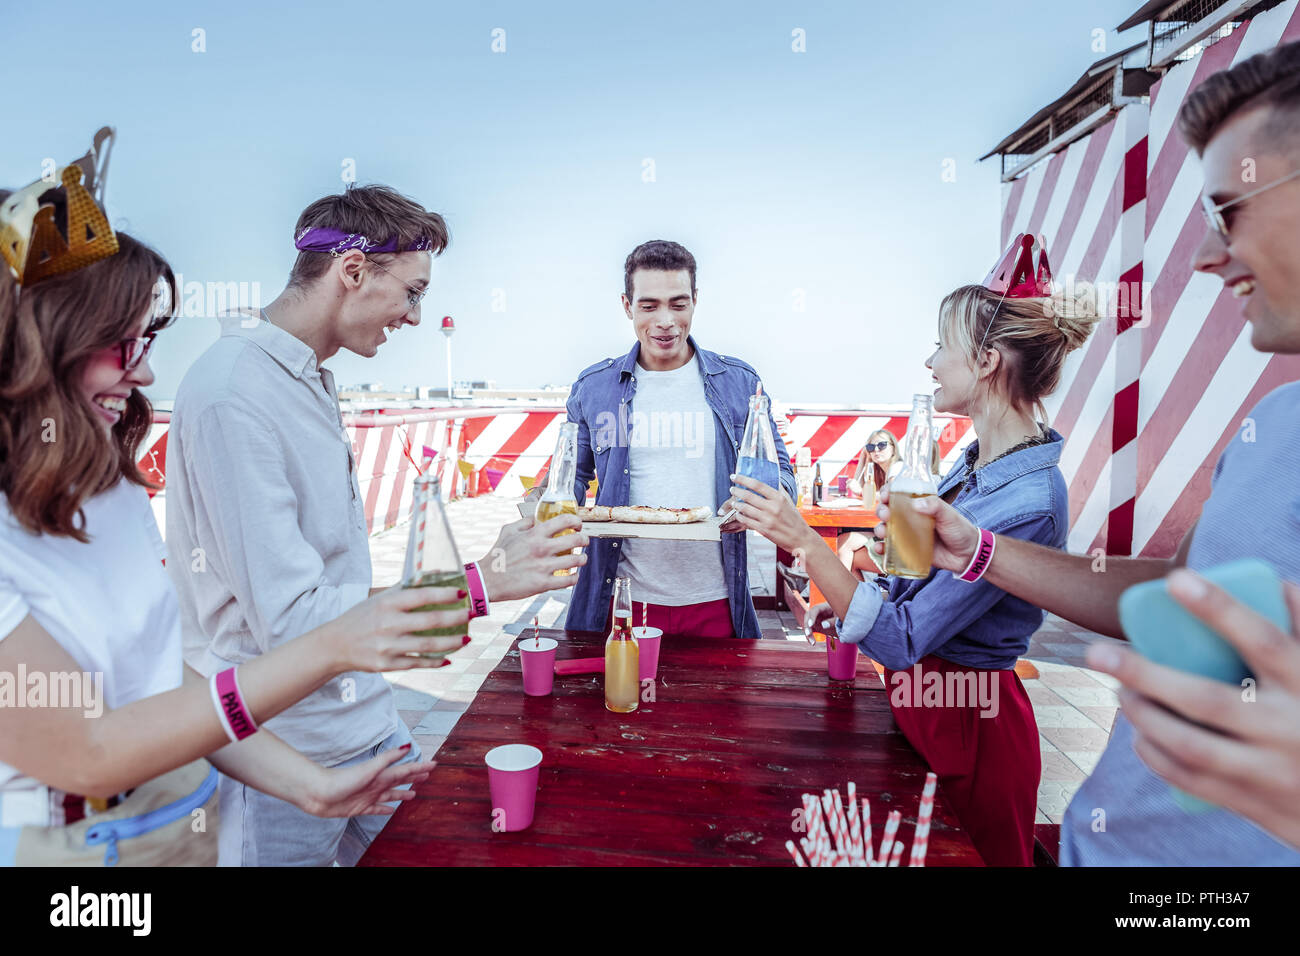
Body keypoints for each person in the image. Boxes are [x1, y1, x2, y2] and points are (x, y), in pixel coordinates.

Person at [868, 40, 1300, 863]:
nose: (1206, 256)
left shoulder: (1030, 483)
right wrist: (979, 550)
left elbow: (901, 635)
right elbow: (1196, 591)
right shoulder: (1277, 422)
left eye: (1228, 212)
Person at [0, 159, 467, 865]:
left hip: (177, 836)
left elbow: (171, 679)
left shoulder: (109, 489)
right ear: (39, 341)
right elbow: (88, 755)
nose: (148, 373)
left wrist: (310, 788)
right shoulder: (230, 390)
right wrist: (348, 638)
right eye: (125, 343)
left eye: (148, 343)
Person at [167, 184, 590, 866]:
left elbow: (331, 585)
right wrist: (485, 582)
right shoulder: (232, 394)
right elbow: (295, 621)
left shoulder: (302, 375)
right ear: (353, 272)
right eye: (413, 291)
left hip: (368, 722)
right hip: (286, 755)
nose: (417, 317)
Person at [731, 236, 1098, 865]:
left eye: (942, 345)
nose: (930, 361)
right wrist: (854, 601)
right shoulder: (979, 460)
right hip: (928, 706)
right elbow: (909, 582)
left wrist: (802, 541)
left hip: (971, 722)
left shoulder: (1030, 500)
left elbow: (902, 638)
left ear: (985, 361)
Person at [561, 240, 795, 640]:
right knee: (614, 702)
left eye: (679, 304)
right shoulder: (594, 387)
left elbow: (783, 477)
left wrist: (756, 503)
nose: (666, 320)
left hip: (718, 601)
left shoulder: (740, 383)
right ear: (627, 305)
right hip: (620, 600)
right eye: (649, 306)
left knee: (720, 705)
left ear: (695, 301)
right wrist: (545, 501)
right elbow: (570, 478)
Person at [838, 429, 901, 576]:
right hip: (889, 533)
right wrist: (863, 457)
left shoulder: (897, 468)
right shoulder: (882, 472)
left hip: (900, 542)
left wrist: (861, 492)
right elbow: (859, 485)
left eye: (882, 445)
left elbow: (893, 494)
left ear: (893, 447)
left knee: (843, 544)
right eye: (871, 447)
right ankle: (854, 597)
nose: (876, 450)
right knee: (844, 547)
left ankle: (846, 596)